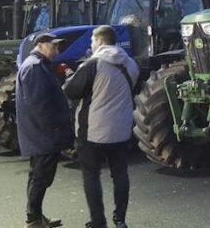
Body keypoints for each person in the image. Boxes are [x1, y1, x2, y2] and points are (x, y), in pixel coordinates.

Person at [63, 25, 139, 228]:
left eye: (92, 41)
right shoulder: (131, 64)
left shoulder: (93, 64)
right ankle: (120, 219)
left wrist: (70, 77)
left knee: (91, 176)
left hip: (93, 132)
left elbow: (71, 91)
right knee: (120, 174)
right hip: (121, 130)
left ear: (100, 41)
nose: (91, 45)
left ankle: (98, 222)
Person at [16, 33, 72, 228]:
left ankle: (36, 216)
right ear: (40, 45)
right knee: (40, 177)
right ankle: (33, 220)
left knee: (38, 176)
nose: (57, 51)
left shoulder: (37, 66)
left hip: (41, 134)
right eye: (53, 46)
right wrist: (56, 128)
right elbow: (40, 105)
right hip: (43, 134)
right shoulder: (34, 67)